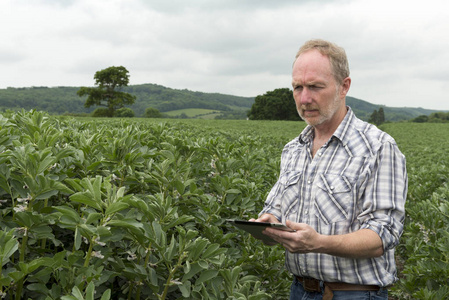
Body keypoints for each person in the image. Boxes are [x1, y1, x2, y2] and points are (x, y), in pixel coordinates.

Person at [251, 39, 408, 300]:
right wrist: (268, 225)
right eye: (297, 87)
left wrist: (319, 243)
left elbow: (384, 234)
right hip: (299, 290)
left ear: (344, 86)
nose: (304, 98)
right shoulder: (293, 149)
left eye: (315, 86)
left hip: (353, 294)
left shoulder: (378, 147)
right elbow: (275, 208)